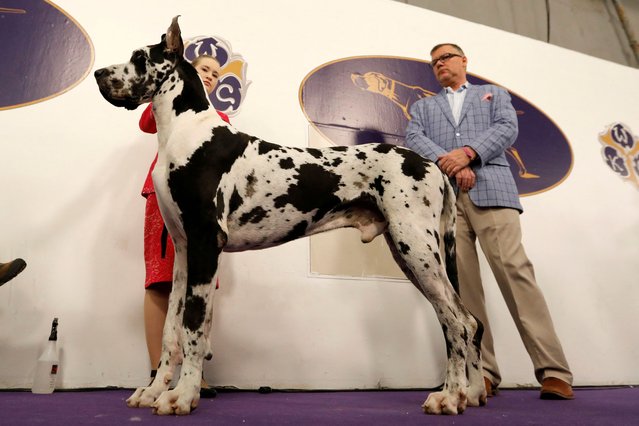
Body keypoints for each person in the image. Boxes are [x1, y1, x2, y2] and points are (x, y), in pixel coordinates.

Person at [405, 43, 574, 400]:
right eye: (434, 62)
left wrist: (468, 154)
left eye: (446, 58)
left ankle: (554, 372)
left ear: (464, 61)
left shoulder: (492, 94)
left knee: (515, 272)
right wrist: (451, 162)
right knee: (463, 287)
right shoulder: (423, 106)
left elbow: (506, 129)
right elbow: (415, 139)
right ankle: (479, 373)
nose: (439, 65)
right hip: (447, 199)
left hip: (493, 190)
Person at [139, 54, 229, 397]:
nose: (209, 75)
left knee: (203, 285)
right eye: (203, 68)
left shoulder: (218, 117)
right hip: (167, 195)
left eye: (215, 74)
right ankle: (157, 371)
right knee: (161, 280)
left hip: (208, 207)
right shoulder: (167, 100)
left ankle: (194, 371)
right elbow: (147, 123)